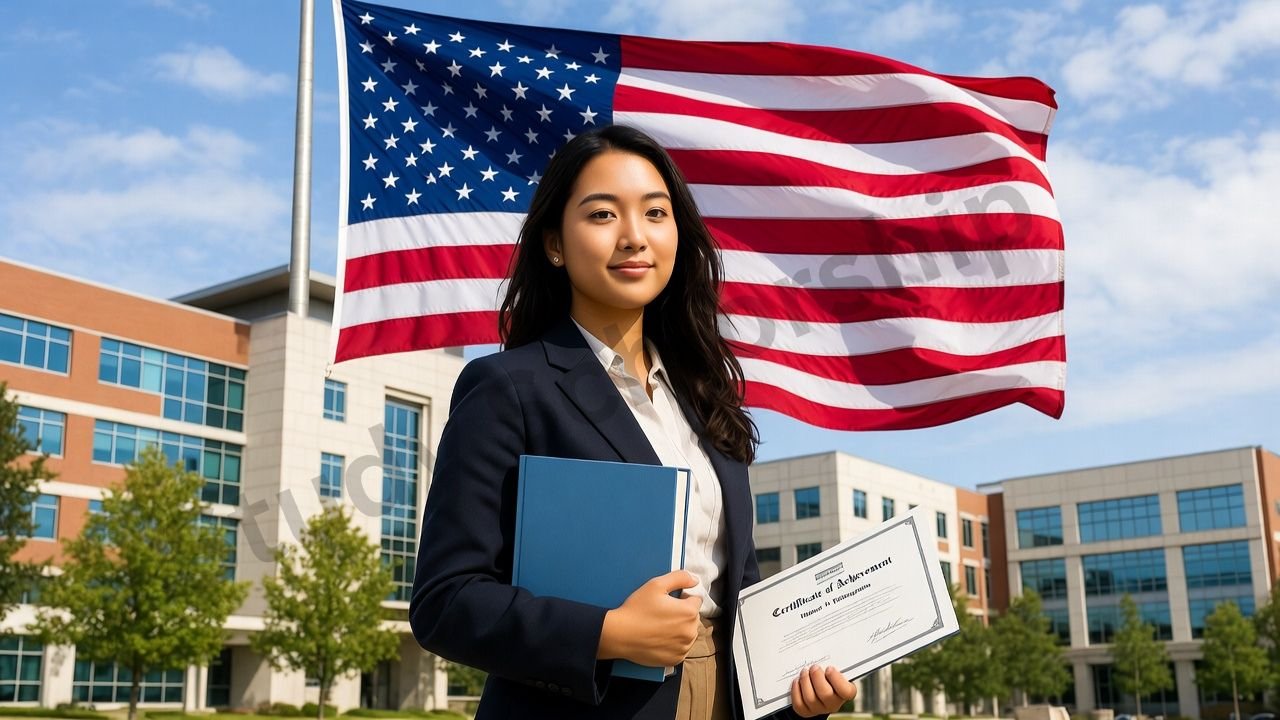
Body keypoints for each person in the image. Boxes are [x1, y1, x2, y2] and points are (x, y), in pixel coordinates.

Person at [408, 124, 856, 720]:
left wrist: (800, 696)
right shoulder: (507, 388)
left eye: (655, 212)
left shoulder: (708, 398)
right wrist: (608, 633)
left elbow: (737, 594)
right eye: (601, 215)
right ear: (554, 244)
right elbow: (446, 601)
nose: (633, 237)